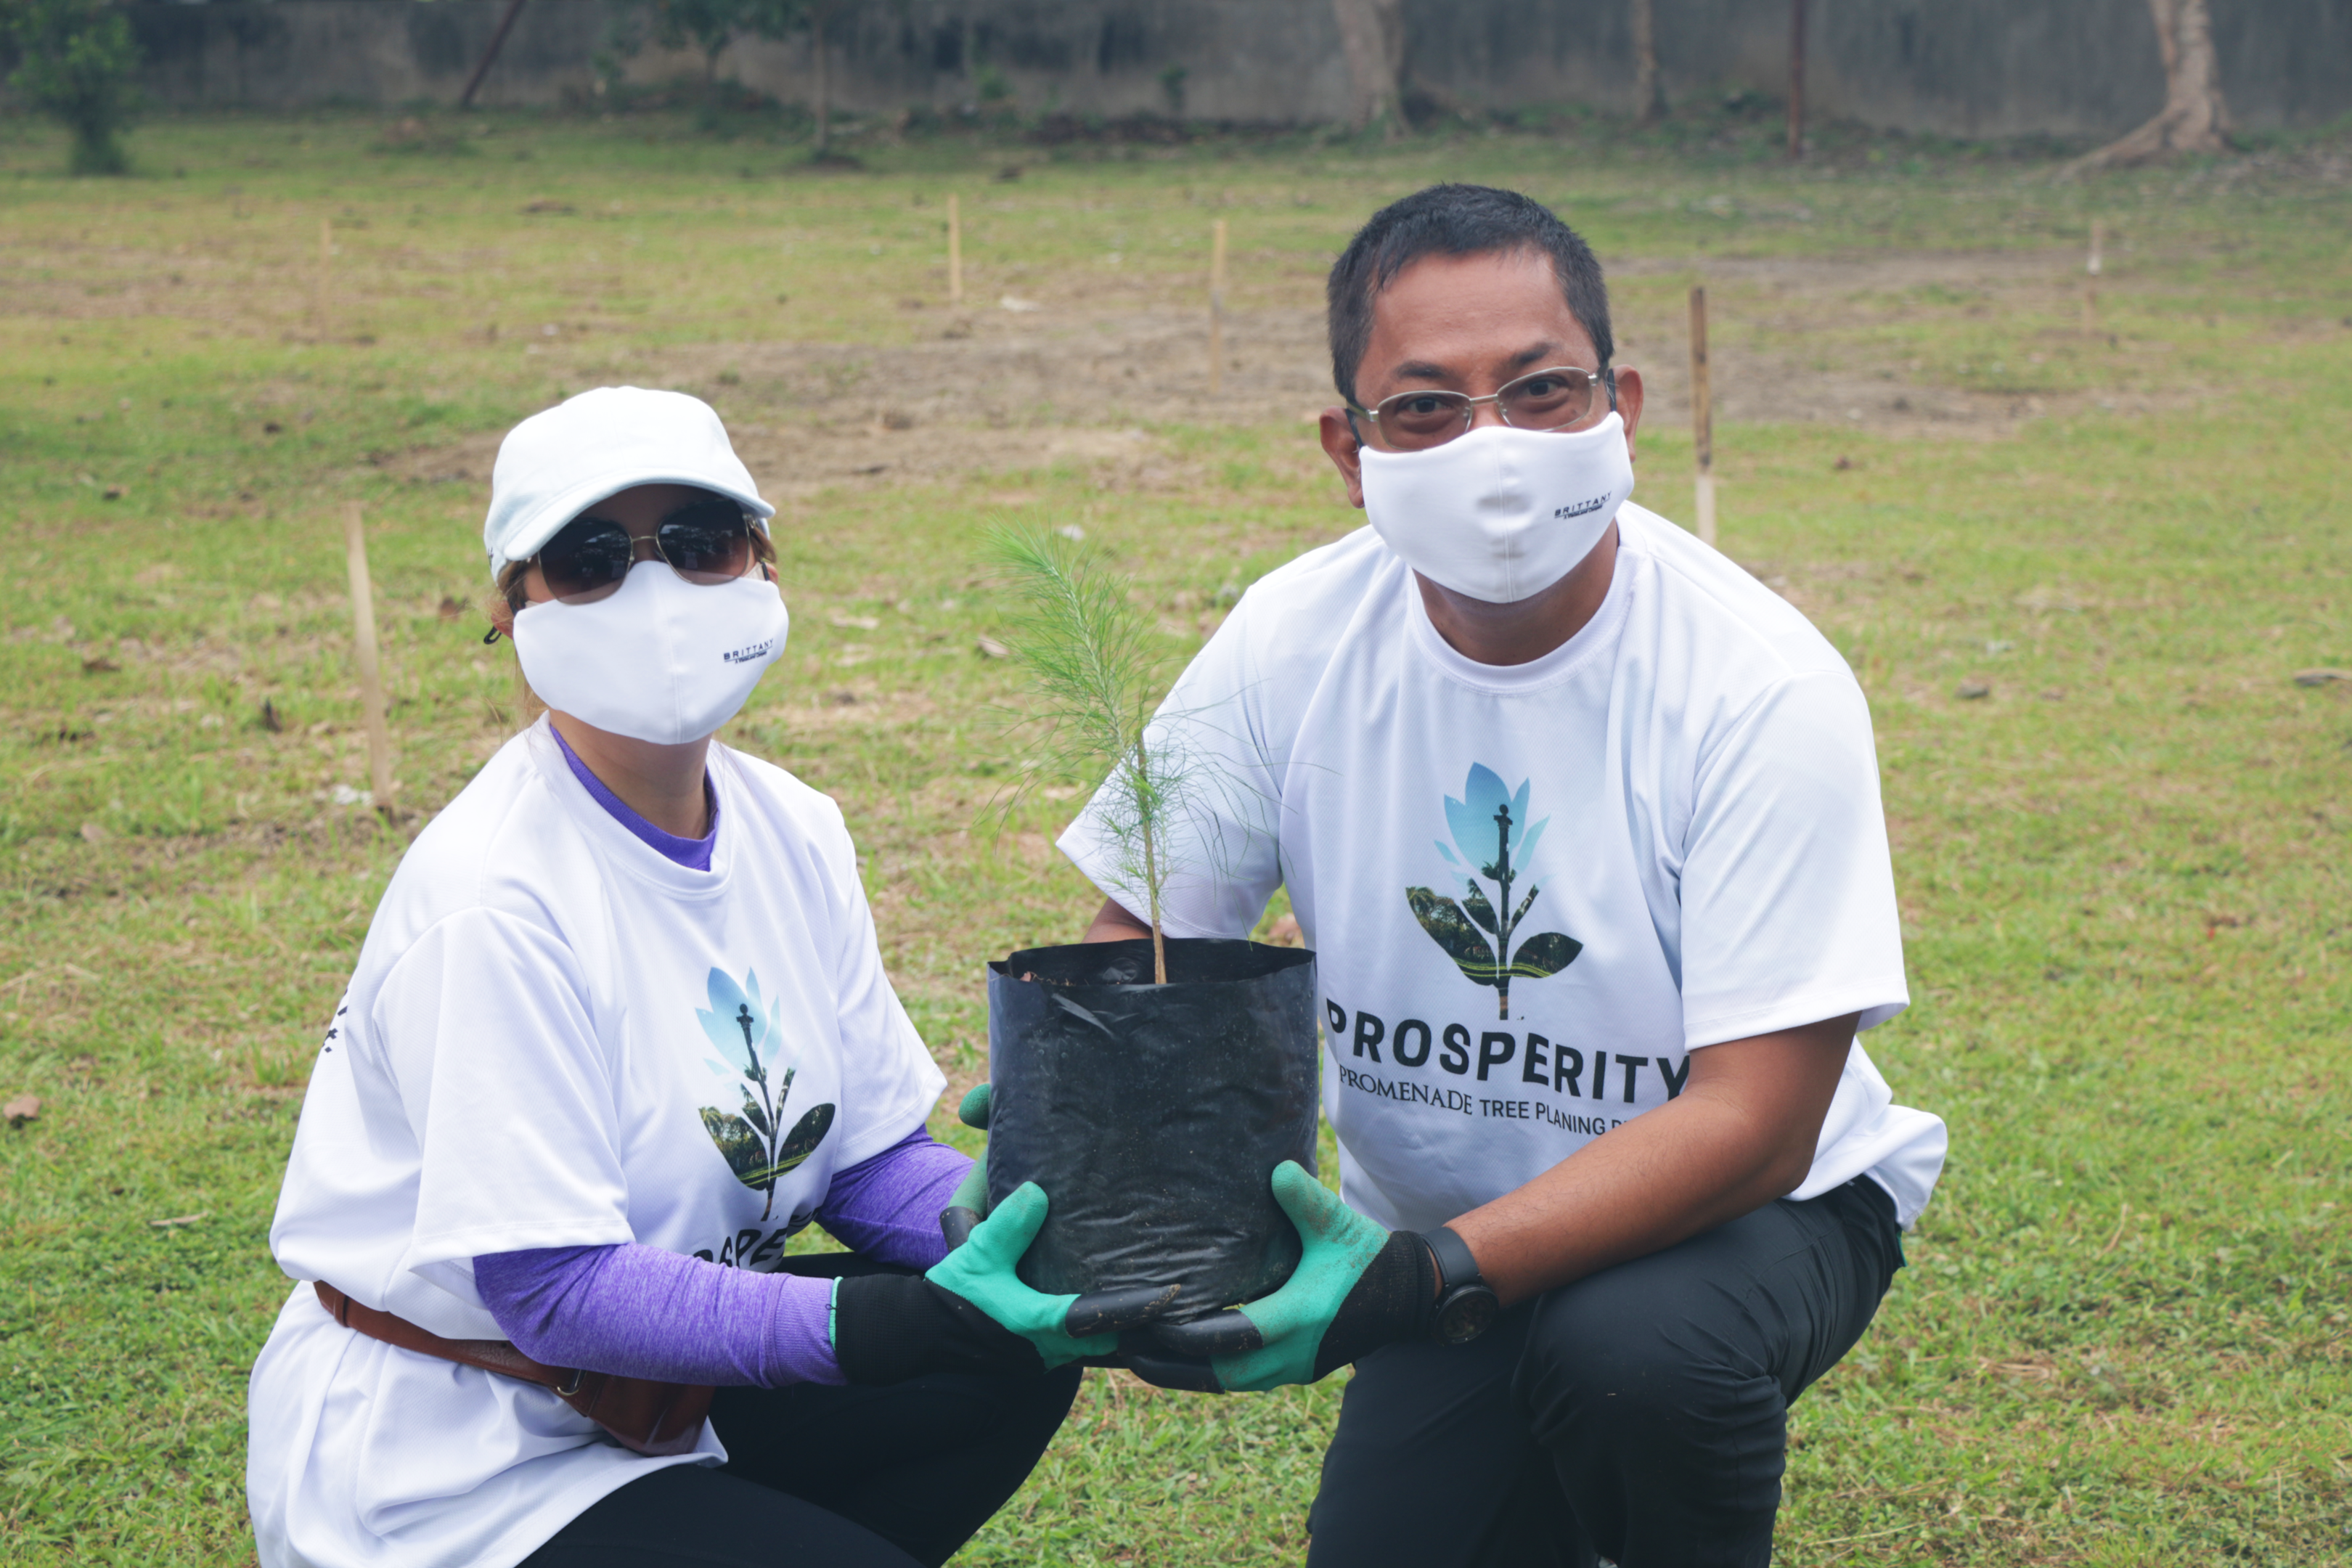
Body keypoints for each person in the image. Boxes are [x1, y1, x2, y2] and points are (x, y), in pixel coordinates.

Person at [1058, 185, 1949, 1567]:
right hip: (1451, 1232)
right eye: (1423, 408)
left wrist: (1417, 1285)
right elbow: (1154, 927)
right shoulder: (1291, 636)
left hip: (1758, 1212)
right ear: (1348, 453)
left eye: (1541, 390)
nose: (1493, 447)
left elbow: (1761, 1121)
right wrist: (1097, 1090)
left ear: (1623, 405)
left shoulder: (1759, 684)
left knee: (1633, 1357)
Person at [247, 387, 1154, 1568]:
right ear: (514, 611)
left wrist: (1050, 1244)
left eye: (698, 543)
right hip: (457, 1463)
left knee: (1006, 1356)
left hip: (664, 1404)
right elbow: (554, 1290)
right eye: (588, 560)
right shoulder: (495, 899)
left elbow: (870, 1158)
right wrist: (886, 1320)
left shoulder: (795, 826)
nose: (655, 593)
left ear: (763, 567)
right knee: (937, 1340)